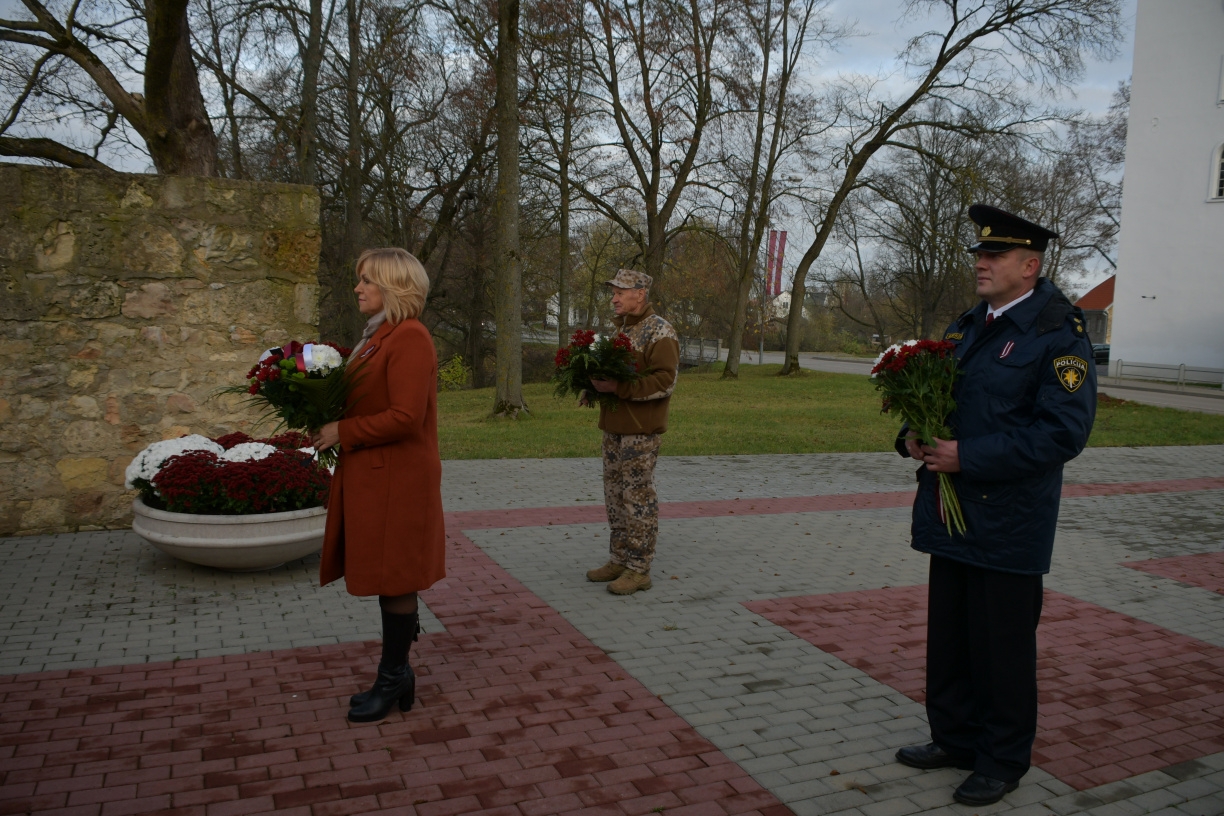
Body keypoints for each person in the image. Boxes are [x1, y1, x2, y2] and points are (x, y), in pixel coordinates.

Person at [894, 204, 1096, 805]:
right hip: (951, 512)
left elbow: (1062, 435)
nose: (980, 263)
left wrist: (969, 457)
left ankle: (1002, 759)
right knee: (950, 638)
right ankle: (954, 738)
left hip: (1010, 522)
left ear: (1030, 266)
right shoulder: (967, 325)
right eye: (979, 254)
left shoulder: (1057, 333)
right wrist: (912, 432)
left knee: (1001, 648)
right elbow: (940, 397)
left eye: (995, 255)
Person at [311, 247, 446, 723]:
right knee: (391, 575)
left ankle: (393, 679)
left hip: (399, 477)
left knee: (396, 577)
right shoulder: (378, 336)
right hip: (379, 475)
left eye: (367, 280)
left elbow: (407, 418)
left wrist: (342, 432)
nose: (358, 287)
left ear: (393, 286)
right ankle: (397, 674)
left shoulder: (410, 337)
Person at [583, 269, 680, 596]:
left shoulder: (659, 331)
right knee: (614, 496)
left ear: (640, 293)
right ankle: (619, 558)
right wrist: (593, 389)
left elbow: (665, 382)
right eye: (613, 292)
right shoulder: (618, 332)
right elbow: (610, 375)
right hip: (613, 429)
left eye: (620, 292)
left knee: (637, 497)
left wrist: (619, 387)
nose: (614, 298)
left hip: (641, 432)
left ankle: (639, 569)